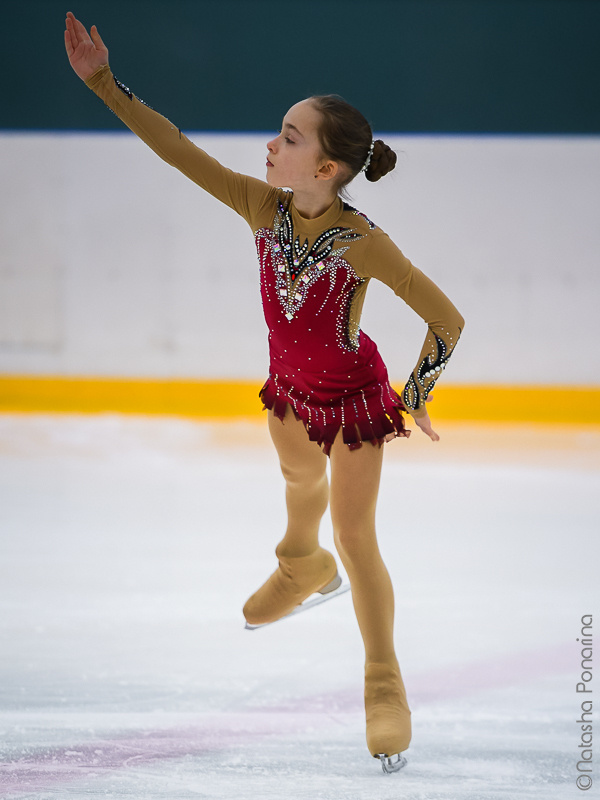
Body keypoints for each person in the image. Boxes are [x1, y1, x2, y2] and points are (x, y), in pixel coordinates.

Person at [64, 11, 465, 774]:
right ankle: (298, 564)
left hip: (352, 407)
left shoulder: (363, 243)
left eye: (289, 137)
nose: (271, 145)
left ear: (326, 168)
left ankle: (383, 679)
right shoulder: (262, 207)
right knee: (292, 478)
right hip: (288, 393)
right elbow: (176, 150)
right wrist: (103, 84)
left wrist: (416, 394)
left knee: (356, 534)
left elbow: (446, 317)